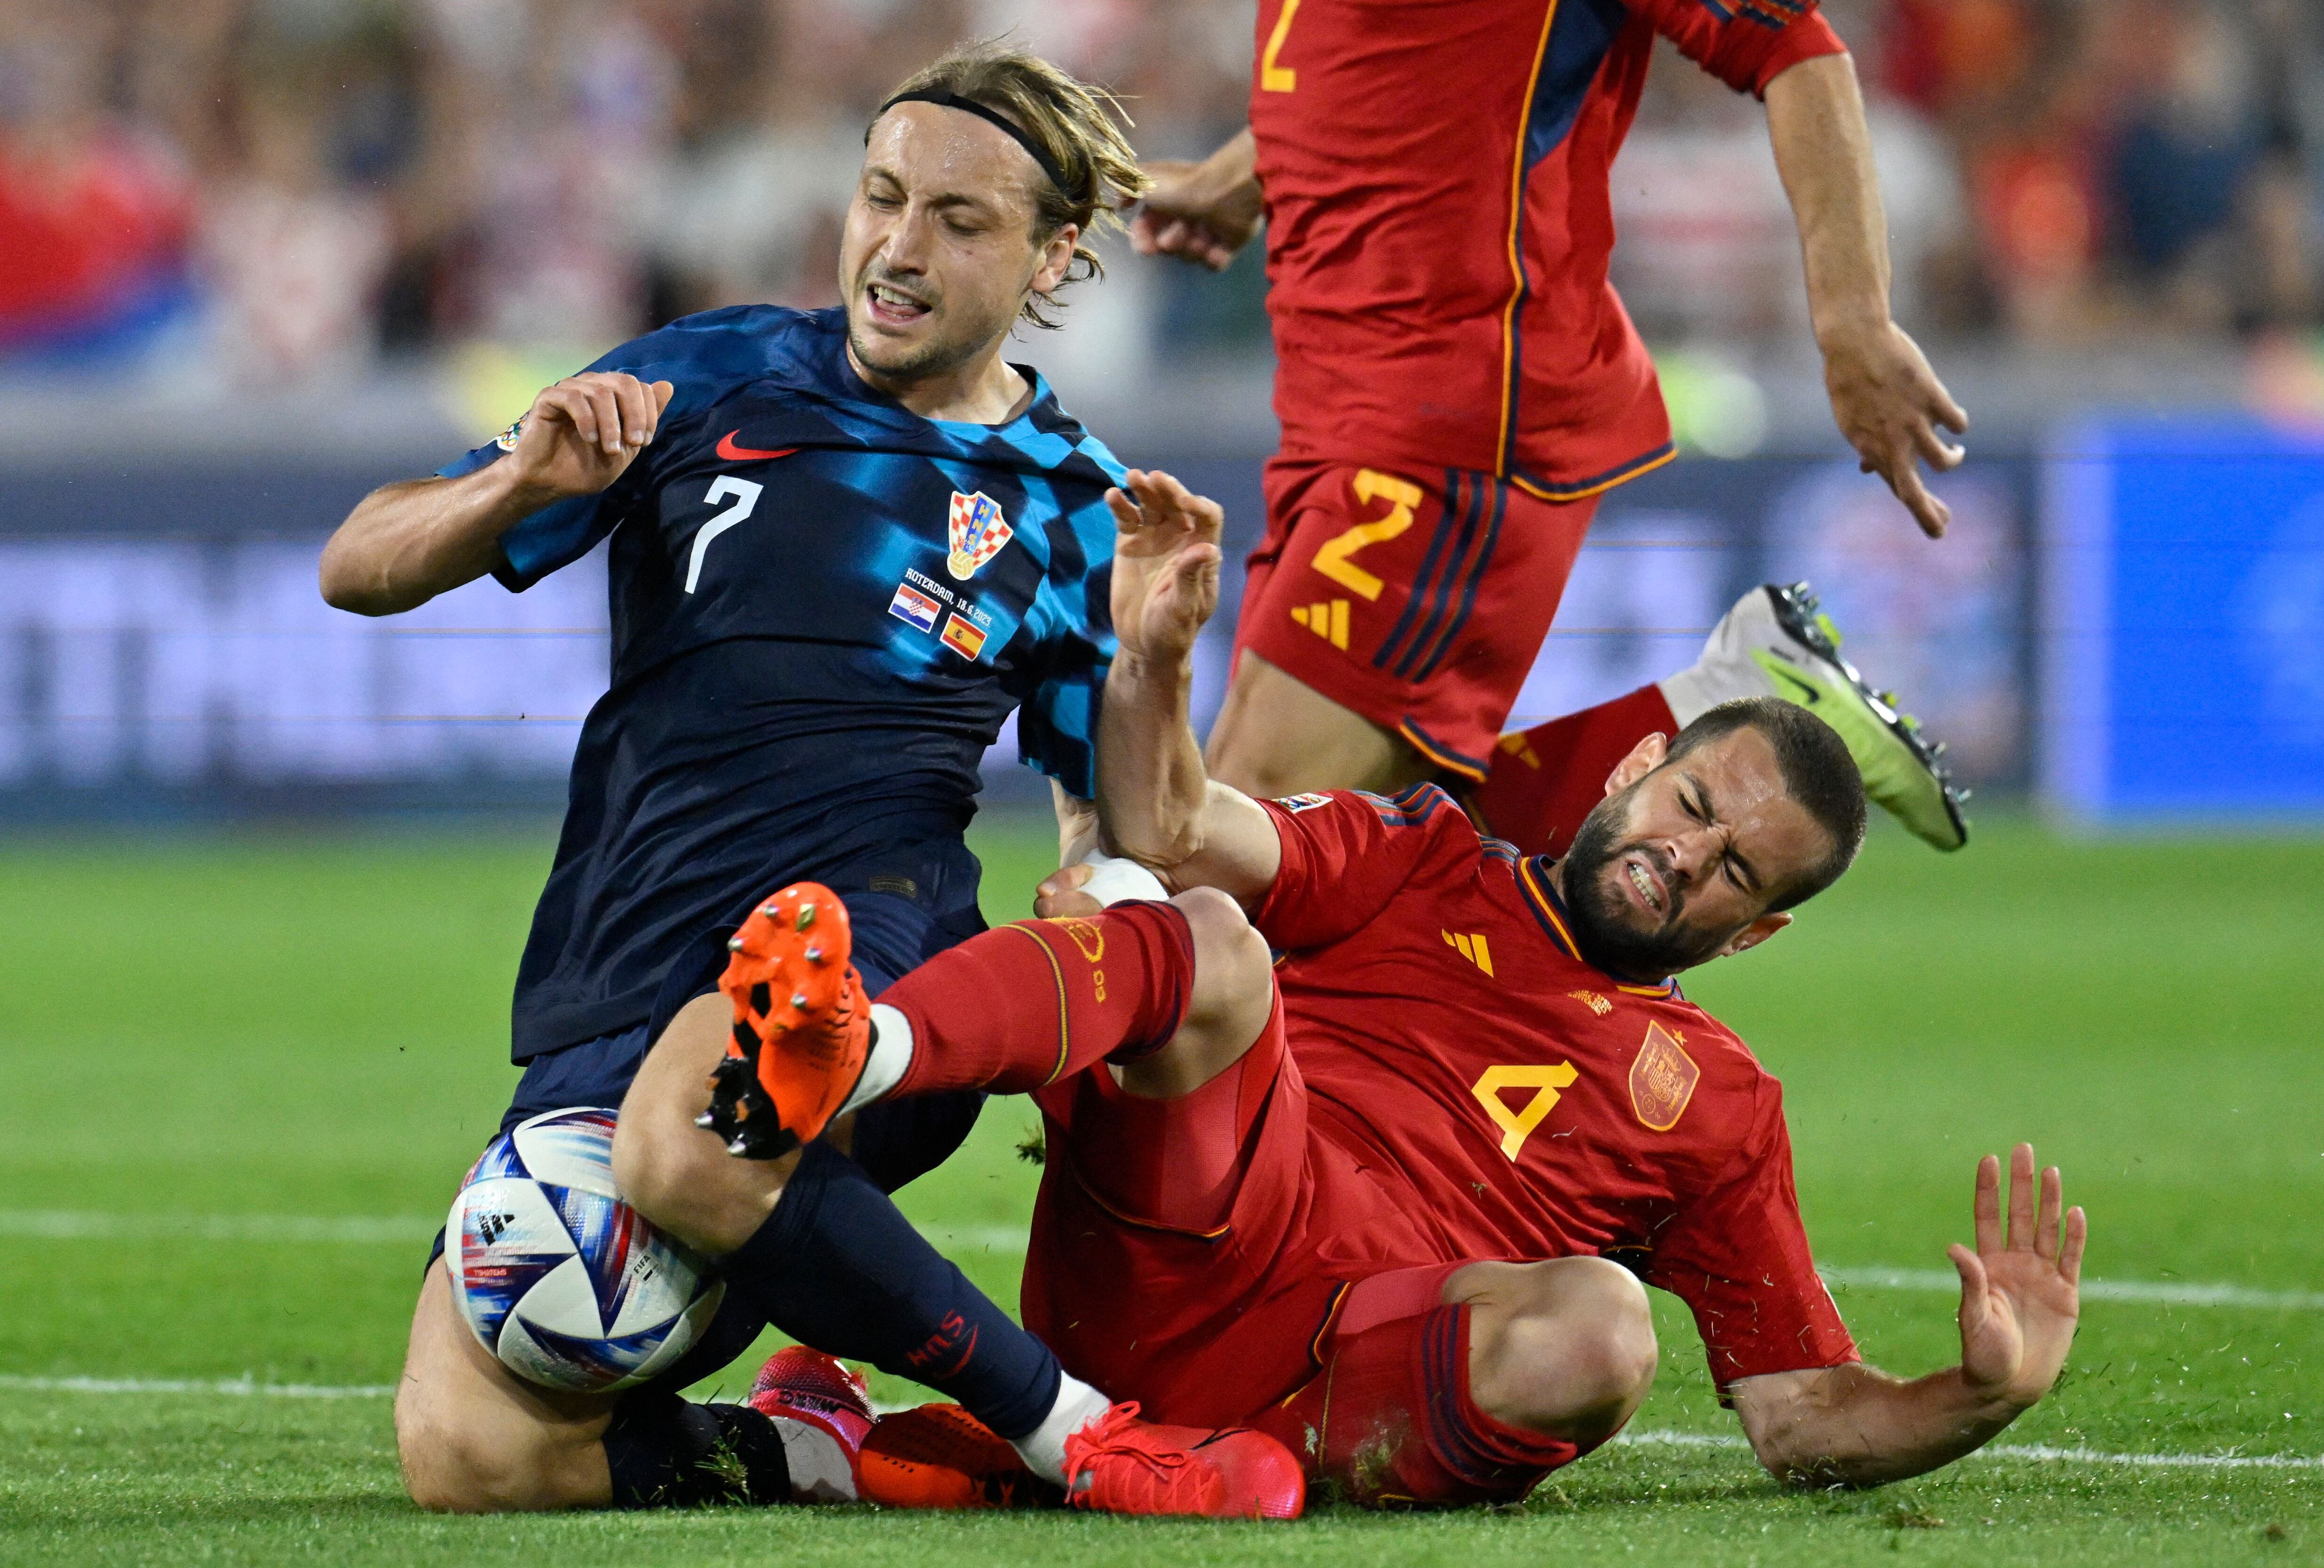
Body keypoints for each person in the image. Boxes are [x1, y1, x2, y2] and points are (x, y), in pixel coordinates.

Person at [319, 40, 1290, 1520]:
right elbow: (359, 563)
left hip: (870, 945)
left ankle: (1076, 1434)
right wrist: (515, 487)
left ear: (1052, 258)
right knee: (472, 1454)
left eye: (961, 221)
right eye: (882, 198)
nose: (898, 250)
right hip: (621, 969)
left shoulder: (1080, 503)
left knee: (683, 1132)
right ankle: (811, 1442)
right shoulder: (705, 373)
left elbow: (1143, 828)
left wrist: (1153, 661)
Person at [674, 497, 2084, 1503]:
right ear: (1632, 764)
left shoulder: (1718, 1108)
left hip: (1353, 1378)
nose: (1683, 856)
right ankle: (859, 1051)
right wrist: (1158, 656)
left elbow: (1798, 1417)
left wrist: (1975, 1396)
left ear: (1758, 931)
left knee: (1604, 1327)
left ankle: (1183, 1461)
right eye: (1692, 803)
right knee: (1194, 927)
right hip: (1186, 1236)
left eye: (1732, 870)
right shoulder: (1417, 857)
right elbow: (1173, 821)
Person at [1130, 0, 1973, 852]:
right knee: (1356, 850)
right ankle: (1718, 700)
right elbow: (1392, 57)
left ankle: (1729, 705)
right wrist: (1244, 174)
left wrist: (1853, 319)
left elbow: (1796, 44)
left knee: (1245, 834)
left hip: (1452, 417)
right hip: (1336, 405)